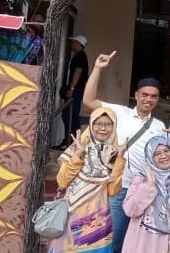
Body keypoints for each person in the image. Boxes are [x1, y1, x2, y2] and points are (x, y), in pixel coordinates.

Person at [83, 50, 167, 253]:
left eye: (153, 96)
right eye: (144, 95)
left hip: (144, 191)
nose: (148, 99)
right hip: (119, 188)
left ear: (157, 100)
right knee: (114, 241)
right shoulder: (119, 113)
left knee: (137, 244)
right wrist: (97, 68)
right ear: (136, 95)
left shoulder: (160, 126)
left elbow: (163, 160)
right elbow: (89, 101)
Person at [50, 107, 120, 253]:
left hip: (99, 219)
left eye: (108, 124)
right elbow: (62, 181)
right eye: (98, 124)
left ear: (114, 127)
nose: (103, 128)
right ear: (91, 125)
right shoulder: (77, 147)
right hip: (73, 213)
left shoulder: (114, 154)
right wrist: (78, 155)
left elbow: (113, 191)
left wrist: (120, 161)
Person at [121, 136, 170, 252]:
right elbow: (130, 210)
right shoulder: (141, 178)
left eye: (167, 151)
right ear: (150, 157)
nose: (163, 156)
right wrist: (148, 186)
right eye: (156, 154)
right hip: (145, 243)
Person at [60, 35, 90, 148]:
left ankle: (71, 143)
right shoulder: (79, 56)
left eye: (74, 42)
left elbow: (78, 72)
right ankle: (70, 142)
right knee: (69, 115)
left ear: (79, 44)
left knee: (69, 115)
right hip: (77, 89)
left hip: (76, 90)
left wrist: (71, 88)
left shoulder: (80, 57)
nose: (72, 44)